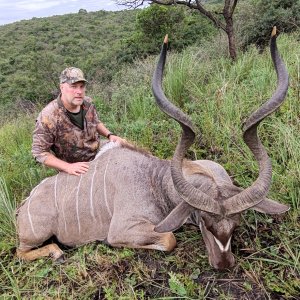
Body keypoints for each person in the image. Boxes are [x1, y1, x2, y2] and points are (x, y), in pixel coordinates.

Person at [32, 67, 126, 176]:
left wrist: (110, 135)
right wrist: (68, 167)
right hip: (75, 168)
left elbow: (95, 122)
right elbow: (39, 152)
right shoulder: (48, 116)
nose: (79, 91)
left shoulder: (87, 102)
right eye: (74, 86)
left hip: (96, 155)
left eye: (82, 87)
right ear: (62, 87)